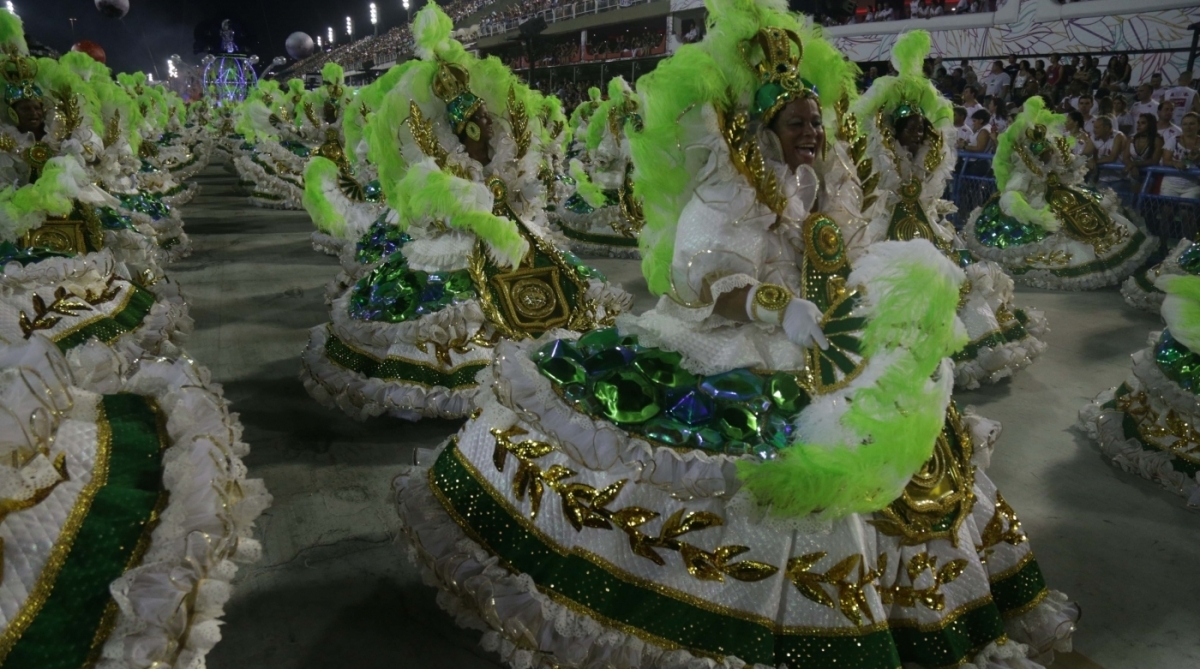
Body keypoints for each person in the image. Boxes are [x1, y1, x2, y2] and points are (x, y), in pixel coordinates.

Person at [397, 11, 1079, 668]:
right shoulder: (726, 194)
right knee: (766, 448)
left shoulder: (817, 183)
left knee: (905, 431)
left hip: (817, 331)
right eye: (797, 121)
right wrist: (773, 306)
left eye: (816, 120)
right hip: (731, 336)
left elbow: (844, 255)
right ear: (762, 126)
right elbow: (701, 279)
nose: (812, 131)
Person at [300, 6, 630, 421]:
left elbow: (521, 190)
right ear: (458, 130)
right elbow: (434, 206)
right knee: (449, 309)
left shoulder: (499, 153)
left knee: (568, 290)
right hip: (459, 244)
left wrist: (512, 193)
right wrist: (474, 209)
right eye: (474, 125)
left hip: (516, 235)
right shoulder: (437, 166)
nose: (484, 130)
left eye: (484, 122)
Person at [853, 29, 1049, 389]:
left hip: (927, 228)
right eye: (909, 129)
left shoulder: (925, 158)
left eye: (920, 129)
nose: (916, 134)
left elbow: (926, 189)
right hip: (884, 228)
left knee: (956, 282)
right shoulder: (880, 158)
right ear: (894, 131)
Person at [964, 96, 1157, 290]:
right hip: (1042, 192)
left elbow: (1061, 168)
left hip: (1052, 192)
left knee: (1079, 220)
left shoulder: (1044, 143)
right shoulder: (1032, 145)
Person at [1160, 112, 1200, 198]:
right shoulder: (1173, 140)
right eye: (1185, 124)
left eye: (1192, 124)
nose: (1188, 127)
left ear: (1199, 126)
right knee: (1167, 209)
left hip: (1193, 186)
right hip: (1170, 184)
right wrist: (1175, 163)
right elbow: (1165, 161)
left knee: (1185, 211)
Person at [1123, 112, 1162, 186]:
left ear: (1150, 124)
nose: (1139, 125)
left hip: (1150, 175)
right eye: (1138, 123)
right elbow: (1125, 157)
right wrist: (1133, 166)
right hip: (1133, 173)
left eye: (1143, 123)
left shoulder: (1157, 140)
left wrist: (1134, 164)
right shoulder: (1132, 138)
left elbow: (1154, 160)